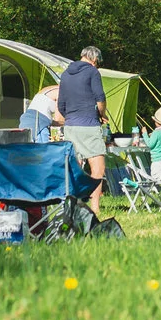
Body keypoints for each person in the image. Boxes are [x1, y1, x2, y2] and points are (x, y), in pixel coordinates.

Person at [56, 46, 110, 219]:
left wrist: (71, 117)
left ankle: (75, 207)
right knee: (98, 167)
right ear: (94, 60)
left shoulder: (65, 74)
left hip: (70, 126)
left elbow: (61, 106)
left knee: (75, 168)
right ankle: (94, 209)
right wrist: (102, 114)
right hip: (89, 124)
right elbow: (100, 98)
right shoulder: (93, 73)